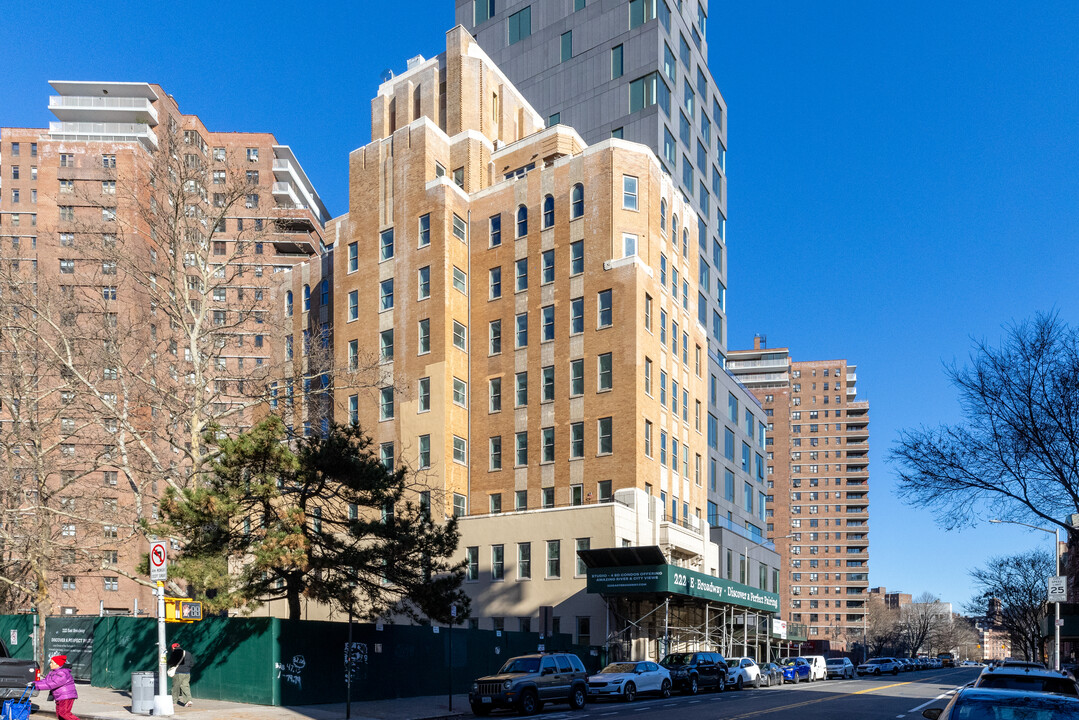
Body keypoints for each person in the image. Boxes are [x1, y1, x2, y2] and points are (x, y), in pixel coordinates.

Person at [35, 654, 79, 720]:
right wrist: (34, 683)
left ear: (58, 664)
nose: (50, 664)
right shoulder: (53, 672)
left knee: (64, 713)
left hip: (66, 696)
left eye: (52, 663)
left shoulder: (62, 673)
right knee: (59, 714)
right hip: (59, 696)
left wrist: (36, 686)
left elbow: (53, 684)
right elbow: (45, 681)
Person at [167, 641, 194, 707]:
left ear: (173, 648)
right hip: (187, 673)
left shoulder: (175, 653)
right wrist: (187, 668)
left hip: (178, 673)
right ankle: (188, 700)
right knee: (185, 686)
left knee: (175, 687)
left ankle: (174, 702)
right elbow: (192, 664)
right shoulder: (188, 653)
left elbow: (171, 662)